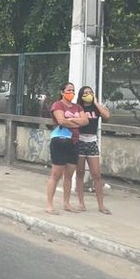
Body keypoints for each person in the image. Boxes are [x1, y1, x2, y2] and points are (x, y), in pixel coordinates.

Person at [46, 82, 89, 214]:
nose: (71, 92)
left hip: (74, 142)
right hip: (60, 142)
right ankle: (49, 204)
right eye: (69, 90)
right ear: (62, 92)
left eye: (73, 90)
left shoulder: (78, 107)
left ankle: (66, 203)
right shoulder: (57, 105)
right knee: (56, 174)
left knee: (69, 175)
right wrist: (76, 122)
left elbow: (86, 121)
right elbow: (61, 121)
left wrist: (69, 121)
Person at [75, 85, 111, 214]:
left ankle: (101, 205)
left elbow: (106, 115)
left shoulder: (96, 109)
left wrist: (96, 102)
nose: (88, 94)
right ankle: (81, 203)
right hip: (80, 140)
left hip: (92, 141)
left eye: (90, 92)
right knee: (79, 173)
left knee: (96, 174)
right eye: (86, 93)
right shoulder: (78, 108)